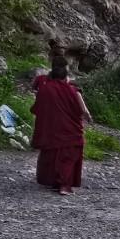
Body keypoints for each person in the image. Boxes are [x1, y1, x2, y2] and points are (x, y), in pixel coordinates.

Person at [31, 56, 90, 195]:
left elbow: (37, 108)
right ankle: (64, 185)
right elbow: (83, 111)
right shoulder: (72, 90)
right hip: (69, 129)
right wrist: (88, 117)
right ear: (65, 74)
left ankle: (52, 182)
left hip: (51, 129)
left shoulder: (45, 87)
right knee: (68, 155)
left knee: (52, 154)